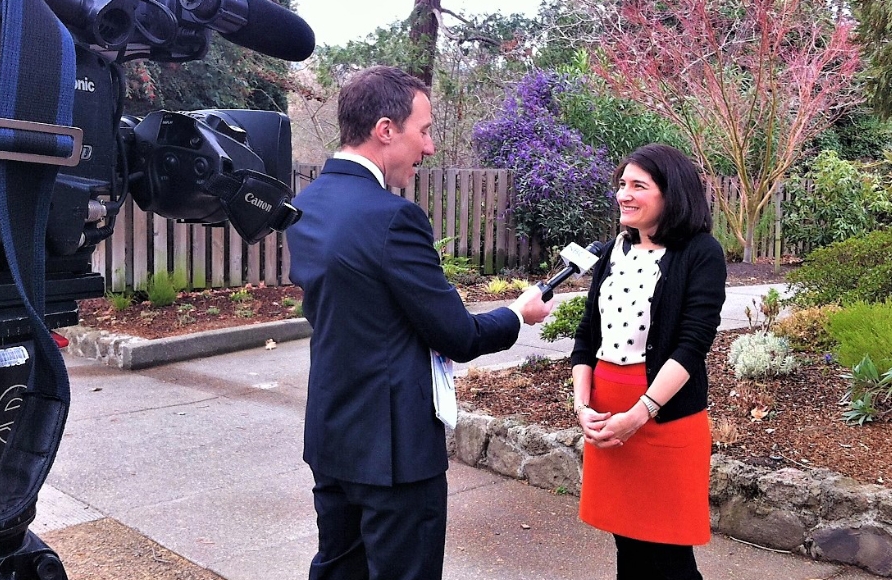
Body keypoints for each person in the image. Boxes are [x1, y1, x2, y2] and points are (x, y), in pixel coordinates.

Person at [286, 65, 554, 580]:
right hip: (395, 451)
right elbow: (457, 334)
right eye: (424, 131)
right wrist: (518, 313)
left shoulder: (306, 205)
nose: (429, 148)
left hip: (332, 434)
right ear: (385, 130)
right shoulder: (392, 217)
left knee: (339, 570)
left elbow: (363, 308)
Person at [569, 143, 726, 579]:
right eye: (622, 184)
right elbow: (587, 337)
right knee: (629, 547)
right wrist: (583, 407)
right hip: (606, 414)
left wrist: (640, 414)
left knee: (669, 557)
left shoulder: (701, 253)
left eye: (639, 185)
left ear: (670, 194)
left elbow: (692, 346)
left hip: (664, 416)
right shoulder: (613, 251)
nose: (624, 194)